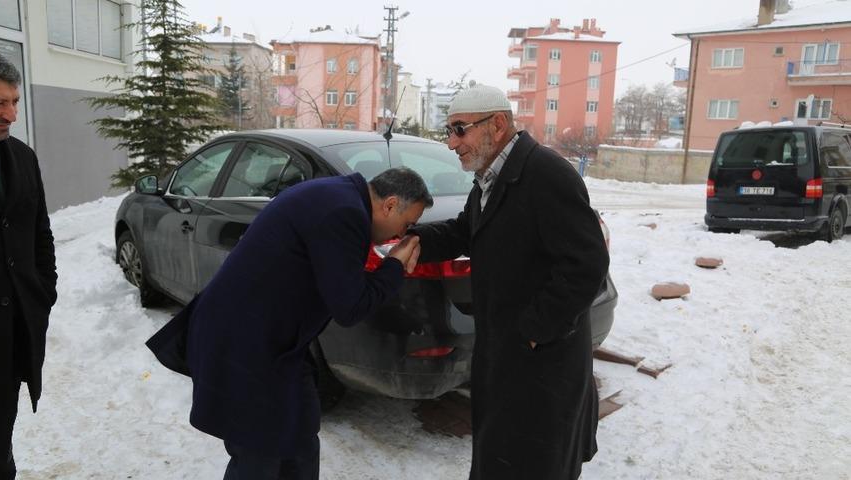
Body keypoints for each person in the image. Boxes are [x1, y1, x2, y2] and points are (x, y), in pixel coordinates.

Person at [148, 167, 432, 479]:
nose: (400, 235)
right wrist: (394, 264)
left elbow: (338, 277)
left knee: (299, 441)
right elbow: (350, 307)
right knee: (261, 459)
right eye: (406, 224)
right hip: (244, 348)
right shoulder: (345, 213)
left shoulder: (340, 195)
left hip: (274, 345)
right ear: (390, 205)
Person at [408, 85, 609, 480]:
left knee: (532, 463)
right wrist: (415, 239)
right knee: (501, 458)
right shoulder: (493, 176)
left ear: (497, 124)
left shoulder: (546, 174)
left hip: (542, 366)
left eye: (460, 129)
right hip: (506, 355)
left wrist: (533, 331)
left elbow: (586, 264)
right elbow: (467, 230)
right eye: (449, 131)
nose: (452, 143)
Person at [0, 51, 58, 479]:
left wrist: (43, 292)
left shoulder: (23, 156)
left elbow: (40, 233)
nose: (11, 115)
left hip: (12, 336)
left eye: (14, 102)